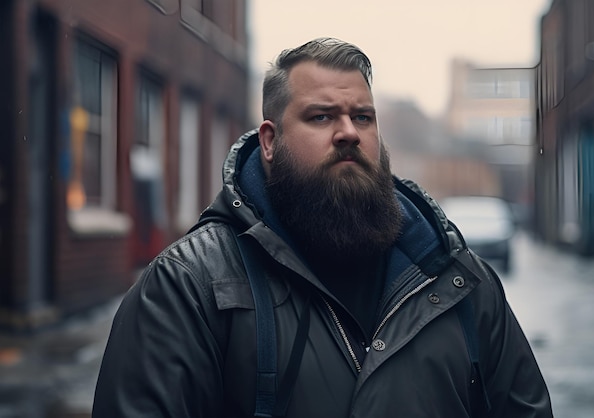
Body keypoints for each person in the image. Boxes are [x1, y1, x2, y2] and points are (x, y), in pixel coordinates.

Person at [92, 37, 553, 417]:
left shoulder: (461, 283)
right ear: (270, 141)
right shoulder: (188, 286)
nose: (349, 131)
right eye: (321, 116)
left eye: (363, 117)